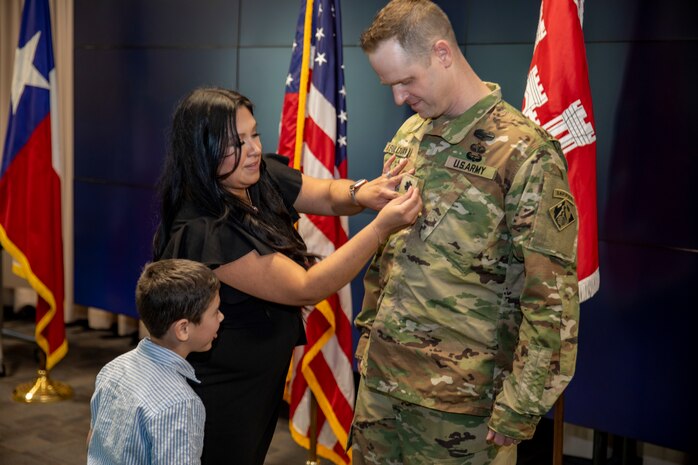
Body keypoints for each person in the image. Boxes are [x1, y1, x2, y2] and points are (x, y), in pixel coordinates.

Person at [351, 1, 581, 464]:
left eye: (405, 81)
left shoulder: (525, 154)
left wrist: (519, 408)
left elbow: (551, 303)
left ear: (441, 53)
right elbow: (390, 259)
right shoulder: (408, 137)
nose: (398, 98)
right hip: (380, 390)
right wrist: (366, 341)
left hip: (463, 410)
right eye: (389, 85)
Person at [152, 87, 422, 465]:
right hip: (220, 391)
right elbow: (305, 288)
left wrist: (362, 192)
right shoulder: (204, 228)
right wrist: (380, 229)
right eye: (237, 142)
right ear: (202, 150)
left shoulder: (255, 176)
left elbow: (328, 195)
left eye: (254, 134)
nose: (254, 150)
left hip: (259, 378)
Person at [87, 258, 224, 465]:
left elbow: (93, 440)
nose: (221, 318)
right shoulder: (181, 403)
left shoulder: (111, 369)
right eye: (215, 312)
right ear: (183, 329)